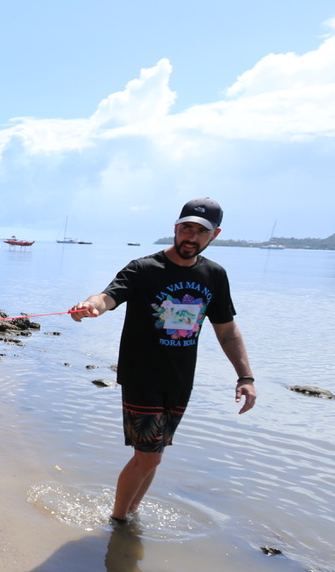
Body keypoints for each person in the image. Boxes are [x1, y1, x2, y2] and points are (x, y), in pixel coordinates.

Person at [70, 197, 256, 522]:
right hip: (142, 376)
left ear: (215, 235)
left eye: (201, 231)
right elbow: (108, 296)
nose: (192, 237)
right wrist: (92, 306)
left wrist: (246, 377)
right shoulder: (143, 269)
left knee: (154, 455)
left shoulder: (214, 275)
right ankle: (117, 521)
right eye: (187, 228)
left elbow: (227, 331)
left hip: (180, 380)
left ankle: (131, 512)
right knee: (148, 456)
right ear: (176, 227)